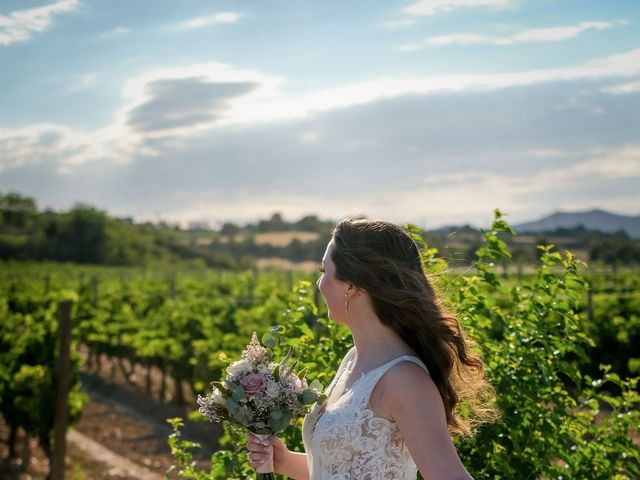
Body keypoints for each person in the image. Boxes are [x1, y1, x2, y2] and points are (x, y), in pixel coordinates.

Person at [246, 217, 498, 479]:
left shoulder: (405, 381)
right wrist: (285, 462)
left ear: (352, 286)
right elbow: (341, 471)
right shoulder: (353, 359)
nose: (319, 284)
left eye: (324, 272)